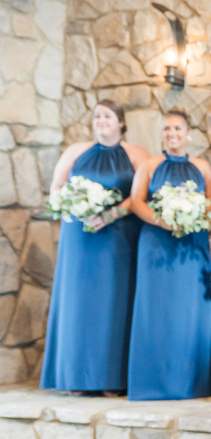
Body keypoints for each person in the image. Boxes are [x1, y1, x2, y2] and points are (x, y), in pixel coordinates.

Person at [41, 100, 148, 394]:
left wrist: (111, 213)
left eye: (107, 115)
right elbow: (57, 187)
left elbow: (141, 193)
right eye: (97, 115)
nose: (101, 120)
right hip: (79, 238)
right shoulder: (75, 151)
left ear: (121, 122)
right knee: (78, 304)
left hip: (117, 237)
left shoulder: (136, 154)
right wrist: (76, 206)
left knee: (115, 302)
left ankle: (112, 380)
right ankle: (76, 378)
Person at [128, 109, 211, 400]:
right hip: (156, 244)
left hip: (191, 246)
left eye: (177, 128)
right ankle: (151, 382)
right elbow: (137, 202)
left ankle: (190, 383)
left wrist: (191, 217)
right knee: (156, 308)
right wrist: (163, 219)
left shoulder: (202, 167)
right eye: (166, 129)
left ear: (188, 132)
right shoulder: (150, 165)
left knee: (188, 311)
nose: (172, 133)